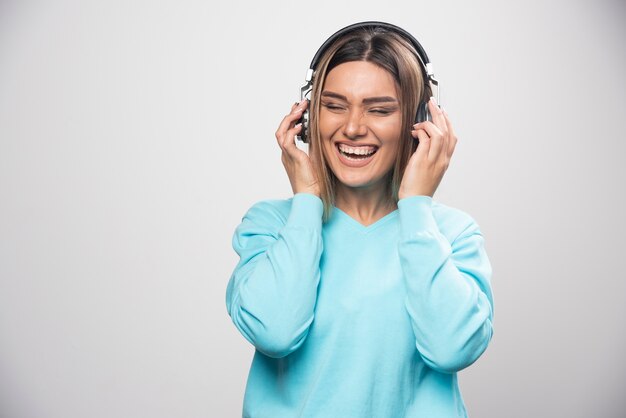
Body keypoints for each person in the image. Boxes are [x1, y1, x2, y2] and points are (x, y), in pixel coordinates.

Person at [225, 21, 494, 418]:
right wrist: (306, 203)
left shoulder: (452, 234)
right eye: (334, 106)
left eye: (380, 110)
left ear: (421, 122)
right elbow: (276, 332)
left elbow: (452, 348)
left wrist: (417, 207)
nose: (351, 128)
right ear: (307, 118)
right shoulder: (270, 224)